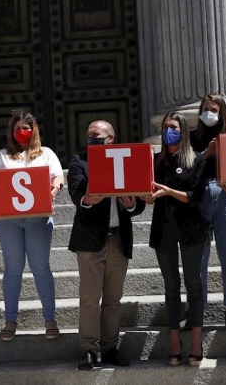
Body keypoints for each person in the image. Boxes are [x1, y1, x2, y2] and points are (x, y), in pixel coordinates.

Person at [68, 120, 145, 370]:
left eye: (96, 134)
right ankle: (88, 350)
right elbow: (75, 193)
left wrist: (131, 203)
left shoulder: (127, 160)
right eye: (88, 134)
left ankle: (110, 348)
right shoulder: (79, 161)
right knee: (90, 299)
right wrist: (88, 199)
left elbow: (140, 203)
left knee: (113, 299)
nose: (90, 137)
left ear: (110, 138)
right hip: (91, 241)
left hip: (118, 238)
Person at [0, 110, 64, 342]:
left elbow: (58, 178)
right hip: (9, 219)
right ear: (11, 131)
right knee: (12, 269)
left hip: (38, 218)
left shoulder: (46, 154)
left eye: (26, 128)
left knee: (41, 267)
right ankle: (10, 321)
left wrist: (55, 189)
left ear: (34, 130)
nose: (22, 132)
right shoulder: (2, 156)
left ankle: (50, 319)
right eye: (18, 128)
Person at [145, 112, 208, 367]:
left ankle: (195, 338)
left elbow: (196, 196)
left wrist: (168, 191)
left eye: (173, 127)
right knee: (171, 286)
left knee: (194, 284)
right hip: (164, 227)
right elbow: (147, 189)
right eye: (165, 127)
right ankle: (174, 340)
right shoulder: (155, 161)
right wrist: (146, 197)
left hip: (192, 227)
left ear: (183, 131)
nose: (168, 131)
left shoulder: (197, 160)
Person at [190, 93, 226, 331]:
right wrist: (207, 153)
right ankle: (196, 311)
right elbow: (184, 169)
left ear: (222, 112)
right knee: (198, 258)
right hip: (198, 196)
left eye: (214, 109)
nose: (209, 113)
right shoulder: (190, 138)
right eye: (205, 109)